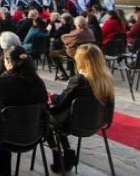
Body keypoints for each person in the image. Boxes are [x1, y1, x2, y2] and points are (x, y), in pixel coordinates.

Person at [0, 46, 47, 176]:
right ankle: (2, 167)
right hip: (32, 135)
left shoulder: (0, 83)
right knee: (5, 119)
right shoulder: (39, 84)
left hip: (2, 136)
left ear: (8, 62)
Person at [47, 44, 114, 172]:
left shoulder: (79, 80)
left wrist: (52, 97)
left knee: (45, 115)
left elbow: (62, 102)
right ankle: (68, 152)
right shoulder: (107, 80)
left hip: (75, 124)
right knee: (57, 118)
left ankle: (58, 154)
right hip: (97, 122)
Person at [49, 16, 96, 81]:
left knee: (52, 54)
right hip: (88, 52)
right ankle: (72, 73)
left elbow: (64, 38)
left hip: (76, 53)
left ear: (78, 25)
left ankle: (64, 74)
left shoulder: (77, 33)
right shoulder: (90, 31)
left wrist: (68, 42)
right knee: (70, 48)